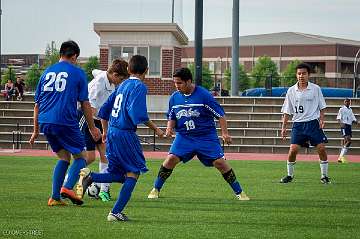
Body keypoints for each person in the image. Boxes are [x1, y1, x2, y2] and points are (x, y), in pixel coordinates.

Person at [77, 55, 164, 221]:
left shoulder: (122, 85)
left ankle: (92, 176)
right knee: (134, 173)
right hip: (125, 134)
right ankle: (115, 212)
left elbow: (103, 112)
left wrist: (105, 131)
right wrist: (157, 130)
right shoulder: (139, 87)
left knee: (119, 174)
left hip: (113, 133)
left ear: (129, 70)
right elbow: (138, 114)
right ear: (146, 71)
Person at [147, 67, 250, 201]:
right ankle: (156, 188)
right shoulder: (174, 97)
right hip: (184, 137)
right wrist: (169, 129)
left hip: (206, 137)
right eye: (175, 83)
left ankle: (239, 192)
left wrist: (225, 133)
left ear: (188, 81)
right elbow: (172, 115)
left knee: (220, 163)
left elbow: (220, 114)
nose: (177, 86)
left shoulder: (204, 95)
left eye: (179, 83)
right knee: (170, 159)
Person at [29, 40, 101, 206]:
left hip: (45, 120)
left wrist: (35, 130)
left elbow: (37, 105)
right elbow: (85, 103)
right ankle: (67, 188)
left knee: (63, 157)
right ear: (75, 56)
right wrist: (92, 128)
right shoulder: (77, 73)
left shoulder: (46, 72)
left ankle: (54, 197)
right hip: (65, 121)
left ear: (60, 54)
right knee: (82, 156)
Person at [78, 59, 129, 202]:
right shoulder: (98, 84)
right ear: (114, 73)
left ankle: (104, 191)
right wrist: (93, 129)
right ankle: (68, 180)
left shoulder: (110, 79)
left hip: (100, 119)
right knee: (90, 157)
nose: (121, 81)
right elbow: (90, 109)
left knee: (105, 155)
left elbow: (96, 71)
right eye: (120, 78)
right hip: (87, 118)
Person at [280, 62, 330, 184]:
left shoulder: (316, 89)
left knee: (321, 148)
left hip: (313, 123)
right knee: (293, 150)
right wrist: (284, 127)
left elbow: (322, 107)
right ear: (296, 75)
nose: (301, 76)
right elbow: (287, 111)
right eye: (299, 73)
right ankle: (289, 175)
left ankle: (324, 176)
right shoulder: (291, 91)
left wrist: (322, 119)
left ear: (309, 75)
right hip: (298, 125)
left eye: (304, 73)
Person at [336, 98, 358, 163]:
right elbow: (338, 118)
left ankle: (341, 158)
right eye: (346, 101)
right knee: (349, 141)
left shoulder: (350, 110)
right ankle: (341, 156)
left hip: (349, 126)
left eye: (348, 102)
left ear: (350, 102)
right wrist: (341, 124)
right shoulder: (341, 109)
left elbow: (353, 118)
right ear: (344, 102)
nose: (347, 103)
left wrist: (357, 122)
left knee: (346, 142)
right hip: (344, 126)